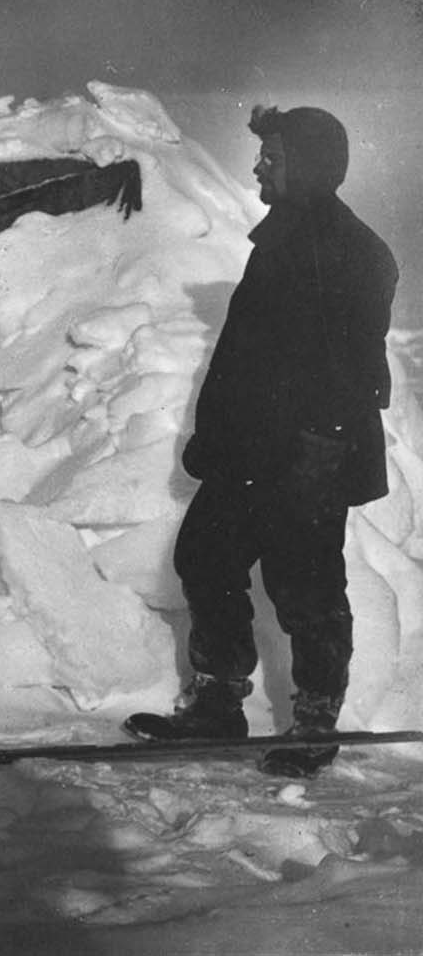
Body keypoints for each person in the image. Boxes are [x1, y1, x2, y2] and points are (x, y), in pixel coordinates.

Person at [124, 105, 399, 778]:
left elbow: (356, 367)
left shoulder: (356, 251)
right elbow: (248, 358)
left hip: (309, 454)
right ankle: (218, 703)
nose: (257, 168)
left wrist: (322, 444)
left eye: (270, 158)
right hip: (249, 451)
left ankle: (313, 722)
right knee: (206, 554)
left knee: (307, 587)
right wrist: (216, 439)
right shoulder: (277, 239)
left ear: (306, 164)